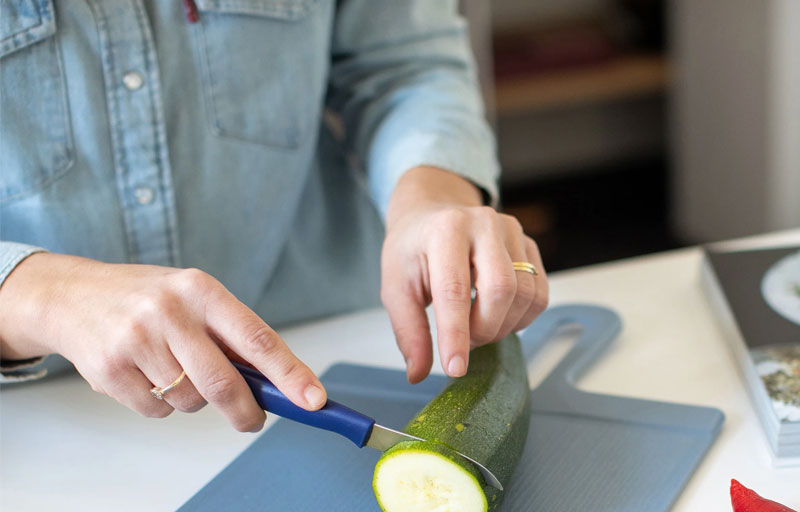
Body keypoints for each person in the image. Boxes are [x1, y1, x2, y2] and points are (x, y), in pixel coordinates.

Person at [0, 0, 547, 432]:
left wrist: (431, 198)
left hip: (333, 340)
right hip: (42, 413)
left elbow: (404, 66)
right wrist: (45, 296)